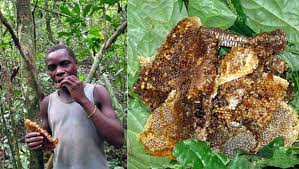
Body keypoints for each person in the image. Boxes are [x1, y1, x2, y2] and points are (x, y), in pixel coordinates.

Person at [25, 44, 124, 169]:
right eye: (52, 67)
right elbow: (46, 142)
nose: (59, 71)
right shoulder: (47, 102)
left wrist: (82, 99)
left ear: (76, 64)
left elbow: (118, 140)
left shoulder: (97, 92)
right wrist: (34, 140)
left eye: (65, 63)